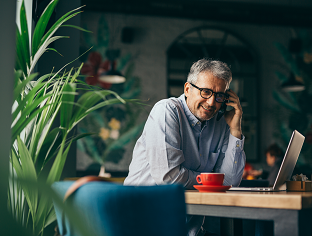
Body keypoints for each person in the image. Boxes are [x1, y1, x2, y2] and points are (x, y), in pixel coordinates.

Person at [124, 58, 246, 236]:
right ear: (187, 89)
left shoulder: (220, 124)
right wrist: (211, 181)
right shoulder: (166, 111)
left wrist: (235, 129)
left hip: (188, 230)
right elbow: (169, 178)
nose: (212, 102)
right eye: (206, 92)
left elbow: (230, 182)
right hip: (144, 225)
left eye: (219, 95)